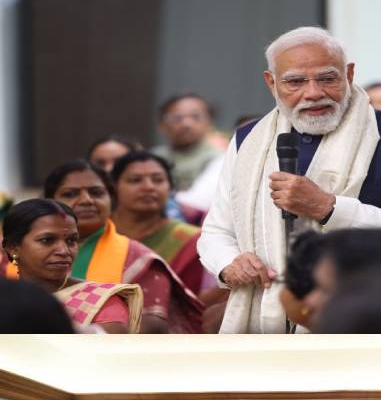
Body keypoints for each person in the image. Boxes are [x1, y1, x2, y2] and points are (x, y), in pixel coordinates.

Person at [197, 26, 381, 333]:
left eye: (327, 78)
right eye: (295, 82)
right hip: (267, 322)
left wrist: (329, 208)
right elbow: (216, 231)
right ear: (271, 83)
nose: (314, 93)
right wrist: (229, 263)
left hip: (372, 322)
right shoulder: (247, 139)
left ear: (350, 74)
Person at [2, 199, 143, 333]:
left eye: (71, 240)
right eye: (47, 240)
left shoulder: (101, 301)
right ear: (13, 248)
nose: (64, 251)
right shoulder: (6, 298)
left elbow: (108, 350)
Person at [110, 152, 210, 299]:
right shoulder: (97, 232)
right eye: (135, 180)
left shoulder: (192, 240)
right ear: (113, 187)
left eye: (158, 180)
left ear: (170, 188)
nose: (148, 187)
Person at [151, 93, 224, 211]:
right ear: (161, 125)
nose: (186, 124)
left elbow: (200, 202)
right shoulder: (152, 157)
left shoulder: (219, 159)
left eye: (196, 117)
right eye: (177, 117)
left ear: (210, 123)